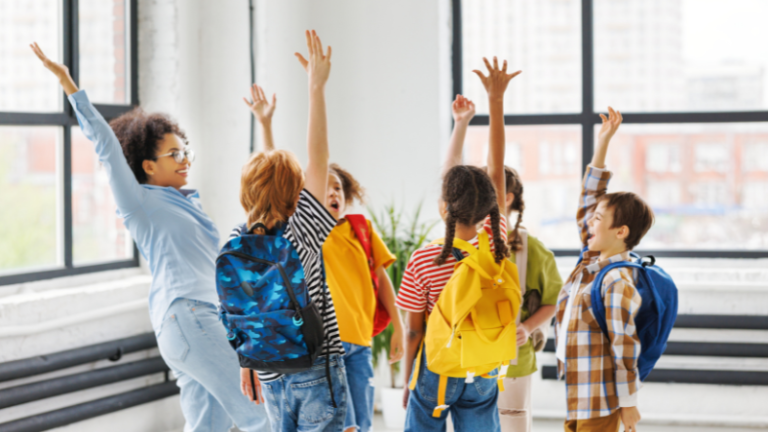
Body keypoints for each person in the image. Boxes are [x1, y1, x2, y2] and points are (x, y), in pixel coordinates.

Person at [30, 43, 270, 432]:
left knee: (208, 426)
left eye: (185, 152)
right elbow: (106, 146)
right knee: (260, 414)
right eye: (174, 154)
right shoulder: (140, 204)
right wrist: (69, 85)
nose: (185, 160)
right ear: (147, 165)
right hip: (189, 317)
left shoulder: (189, 206)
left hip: (202, 321)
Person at [244, 83, 405, 432]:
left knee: (360, 423)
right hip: (324, 346)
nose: (332, 192)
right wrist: (266, 126)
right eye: (324, 187)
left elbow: (381, 279)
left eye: (338, 188)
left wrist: (399, 325)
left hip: (359, 342)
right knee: (341, 424)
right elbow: (274, 179)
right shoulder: (306, 228)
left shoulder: (360, 229)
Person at [395, 57, 520, 432]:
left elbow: (413, 331)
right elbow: (496, 168)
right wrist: (496, 101)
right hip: (483, 365)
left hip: (438, 367)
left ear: (445, 206)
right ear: (491, 206)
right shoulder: (496, 243)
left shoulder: (424, 259)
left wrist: (408, 378)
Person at [235, 30, 349, 432]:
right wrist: (316, 87)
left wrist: (265, 127)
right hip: (315, 365)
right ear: (296, 193)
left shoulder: (239, 240)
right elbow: (319, 156)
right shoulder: (303, 232)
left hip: (268, 369)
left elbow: (270, 181)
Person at [442, 94, 563, 432]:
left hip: (512, 357)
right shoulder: (462, 237)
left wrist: (528, 327)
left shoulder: (530, 249)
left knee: (512, 421)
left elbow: (554, 299)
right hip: (466, 355)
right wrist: (461, 124)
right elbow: (449, 181)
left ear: (505, 198)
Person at [555, 107, 654, 432]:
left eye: (598, 219)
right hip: (580, 392)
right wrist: (603, 143)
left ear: (620, 232)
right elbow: (590, 198)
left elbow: (625, 345)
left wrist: (629, 404)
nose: (589, 222)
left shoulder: (616, 280)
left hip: (601, 401)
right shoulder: (591, 263)